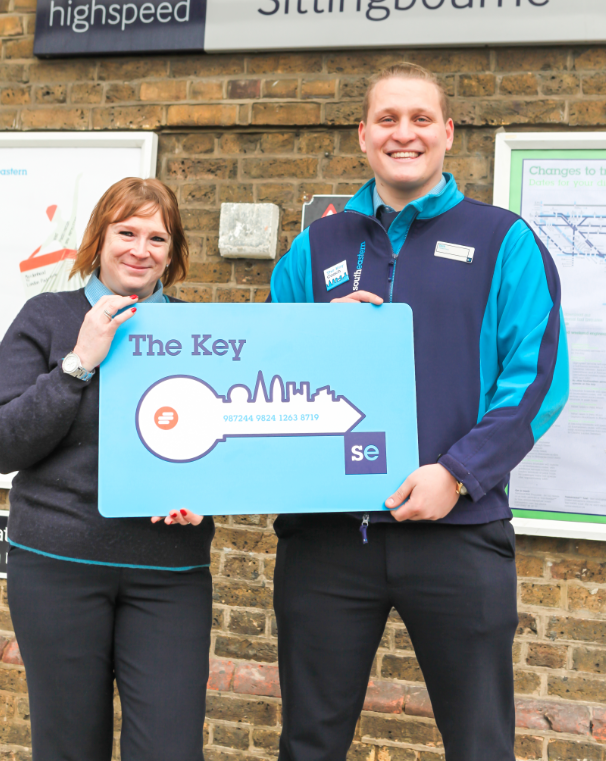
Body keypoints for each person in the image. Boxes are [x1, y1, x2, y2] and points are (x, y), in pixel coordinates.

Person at [267, 64, 569, 761]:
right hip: (327, 539)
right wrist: (319, 336)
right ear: (363, 135)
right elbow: (270, 376)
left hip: (458, 530)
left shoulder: (504, 239)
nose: (404, 133)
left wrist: (458, 473)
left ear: (448, 133)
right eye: (388, 119)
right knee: (308, 742)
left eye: (421, 118)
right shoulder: (314, 249)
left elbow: (538, 380)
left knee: (480, 742)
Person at [0, 178, 214, 761]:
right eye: (127, 232)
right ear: (99, 237)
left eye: (157, 238)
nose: (140, 250)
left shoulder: (201, 331)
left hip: (170, 572)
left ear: (172, 252)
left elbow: (227, 441)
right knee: (68, 746)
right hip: (58, 567)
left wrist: (205, 493)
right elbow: (6, 444)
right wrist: (78, 363)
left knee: (170, 750)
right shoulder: (47, 317)